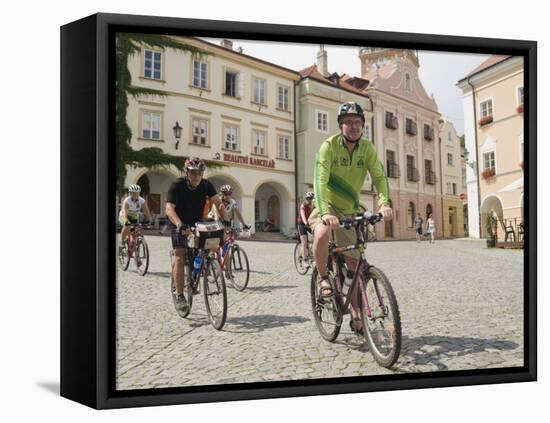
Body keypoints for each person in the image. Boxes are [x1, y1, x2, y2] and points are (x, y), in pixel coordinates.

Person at [308, 101, 392, 335]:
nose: (353, 127)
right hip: (327, 205)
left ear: (363, 126)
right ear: (340, 126)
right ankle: (324, 277)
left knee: (355, 266)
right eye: (348, 123)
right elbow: (320, 181)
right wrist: (325, 212)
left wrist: (384, 202)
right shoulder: (329, 147)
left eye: (357, 122)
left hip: (349, 210)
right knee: (323, 232)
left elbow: (379, 175)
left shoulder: (367, 148)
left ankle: (356, 313)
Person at [165, 157, 229, 315]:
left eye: (200, 173)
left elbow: (218, 203)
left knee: (205, 250)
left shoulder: (206, 185)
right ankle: (180, 296)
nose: (197, 177)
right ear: (186, 173)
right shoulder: (177, 185)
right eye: (193, 173)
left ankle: (200, 271)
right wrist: (179, 224)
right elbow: (169, 209)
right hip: (179, 223)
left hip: (198, 223)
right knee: (180, 256)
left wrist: (226, 220)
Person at [119, 184, 152, 252]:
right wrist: (126, 221)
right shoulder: (127, 201)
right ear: (130, 193)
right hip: (123, 216)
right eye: (133, 193)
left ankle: (137, 257)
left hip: (134, 217)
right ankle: (122, 242)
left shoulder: (142, 200)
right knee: (127, 226)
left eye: (137, 193)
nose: (135, 195)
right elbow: (125, 212)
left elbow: (146, 212)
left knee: (135, 234)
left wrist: (150, 220)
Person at [297, 192, 315, 264]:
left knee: (317, 238)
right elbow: (303, 214)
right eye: (308, 198)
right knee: (304, 241)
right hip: (302, 224)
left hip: (311, 224)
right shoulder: (303, 205)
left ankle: (312, 253)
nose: (309, 200)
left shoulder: (314, 207)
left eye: (311, 198)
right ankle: (304, 259)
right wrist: (305, 222)